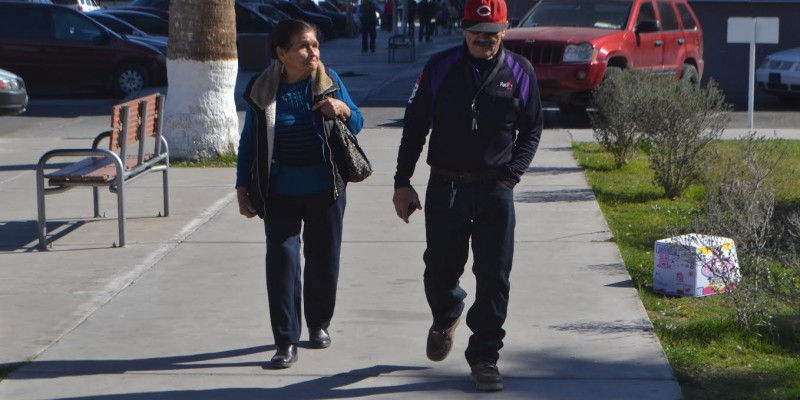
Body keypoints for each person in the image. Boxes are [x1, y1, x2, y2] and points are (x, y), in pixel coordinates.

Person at [391, 0, 542, 392]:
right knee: (438, 271)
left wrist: (511, 176)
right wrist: (402, 181)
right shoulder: (439, 68)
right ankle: (447, 312)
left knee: (494, 278)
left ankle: (485, 358)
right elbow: (414, 125)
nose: (483, 39)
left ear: (504, 31)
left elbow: (533, 129)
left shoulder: (520, 73)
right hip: (446, 187)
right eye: (477, 31)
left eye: (492, 33)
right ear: (463, 29)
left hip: (495, 190)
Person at [236, 19, 364, 369]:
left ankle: (318, 323)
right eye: (304, 46)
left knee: (323, 261)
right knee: (282, 262)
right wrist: (242, 186)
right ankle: (285, 340)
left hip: (326, 189)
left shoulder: (329, 81)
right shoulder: (263, 88)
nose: (313, 53)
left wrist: (342, 109)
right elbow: (249, 142)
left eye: (315, 45)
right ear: (282, 53)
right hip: (279, 192)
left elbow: (357, 123)